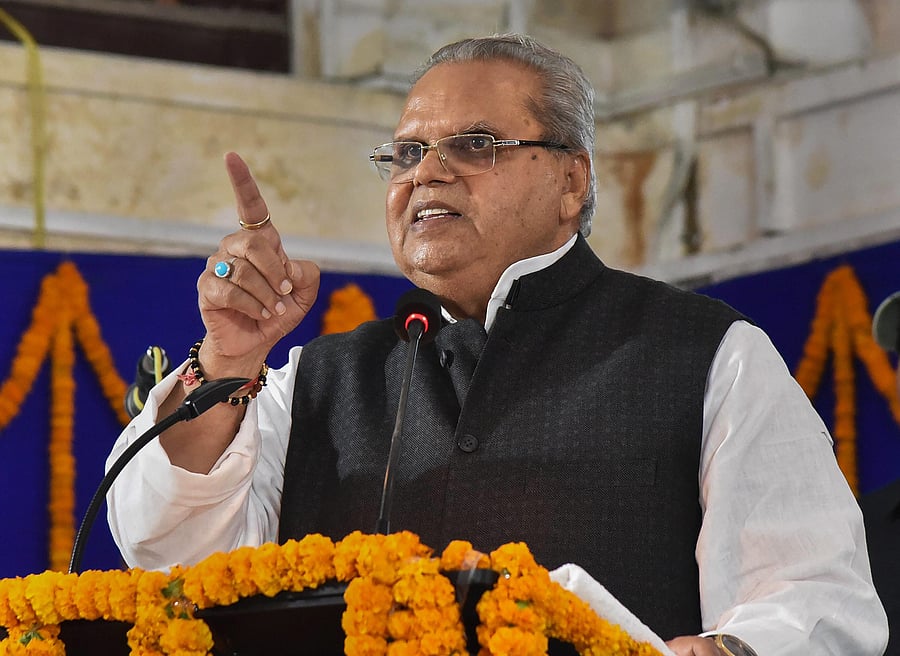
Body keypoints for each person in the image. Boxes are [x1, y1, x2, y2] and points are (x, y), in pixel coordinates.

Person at [106, 34, 888, 656]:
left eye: (475, 144)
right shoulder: (322, 379)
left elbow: (815, 600)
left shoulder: (707, 355)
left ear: (572, 183)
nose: (427, 174)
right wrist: (231, 357)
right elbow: (167, 553)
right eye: (407, 152)